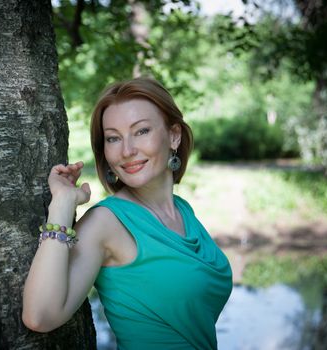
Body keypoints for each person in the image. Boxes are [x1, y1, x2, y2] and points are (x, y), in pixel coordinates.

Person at [22, 77, 233, 349]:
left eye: (141, 131)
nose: (127, 151)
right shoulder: (106, 222)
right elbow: (40, 317)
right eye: (113, 138)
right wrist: (62, 204)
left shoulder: (183, 211)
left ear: (174, 135)